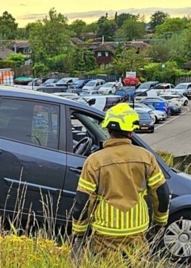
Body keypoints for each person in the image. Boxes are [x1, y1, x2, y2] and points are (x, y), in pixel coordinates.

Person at [71, 103, 170, 256]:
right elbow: (161, 193)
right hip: (137, 228)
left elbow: (83, 200)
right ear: (131, 131)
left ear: (108, 130)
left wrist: (79, 231)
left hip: (106, 232)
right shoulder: (146, 157)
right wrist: (160, 222)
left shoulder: (94, 161)